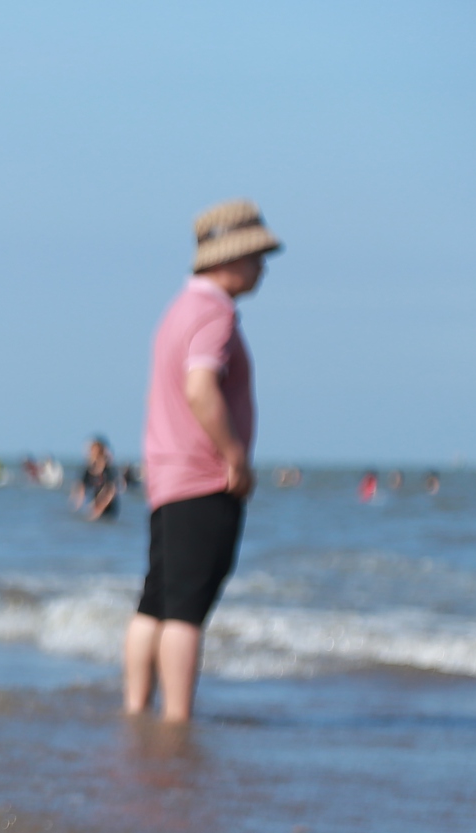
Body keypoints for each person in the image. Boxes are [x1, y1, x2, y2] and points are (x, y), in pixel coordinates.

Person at [124, 198, 281, 723]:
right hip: (201, 475)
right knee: (187, 609)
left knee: (156, 600)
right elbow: (199, 387)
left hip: (167, 473)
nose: (262, 268)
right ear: (230, 258)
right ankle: (176, 720)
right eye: (256, 256)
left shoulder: (176, 310)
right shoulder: (214, 312)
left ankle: (135, 707)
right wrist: (235, 455)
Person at [75, 436, 121, 520]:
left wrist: (99, 509)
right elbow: (81, 486)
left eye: (93, 452)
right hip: (95, 506)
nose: (90, 455)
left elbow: (111, 491)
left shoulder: (108, 470)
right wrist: (77, 505)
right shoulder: (89, 469)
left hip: (108, 510)